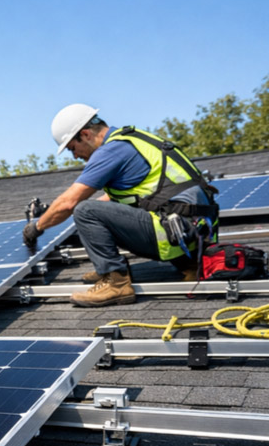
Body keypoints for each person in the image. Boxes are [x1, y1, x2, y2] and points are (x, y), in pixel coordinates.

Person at [22, 104, 218, 307]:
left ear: (86, 134)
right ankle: (189, 264)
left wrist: (36, 228)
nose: (75, 156)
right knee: (91, 212)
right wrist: (62, 217)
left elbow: (69, 203)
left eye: (73, 148)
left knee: (84, 210)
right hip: (194, 233)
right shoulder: (132, 139)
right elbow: (125, 200)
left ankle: (115, 283)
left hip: (173, 232)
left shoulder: (111, 151)